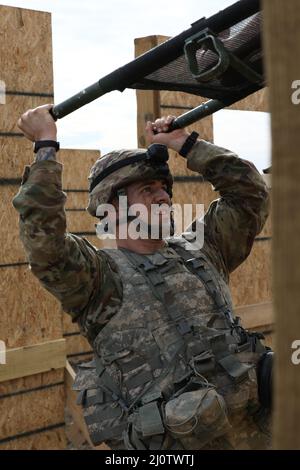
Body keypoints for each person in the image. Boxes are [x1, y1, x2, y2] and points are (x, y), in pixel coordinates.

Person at [13, 104, 271, 450]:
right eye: (148, 190)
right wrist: (46, 146)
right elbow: (45, 243)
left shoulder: (203, 251)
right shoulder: (98, 279)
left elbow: (250, 195)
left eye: (164, 188)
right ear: (114, 205)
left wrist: (187, 143)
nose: (164, 195)